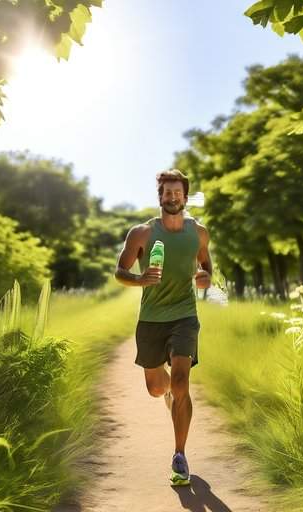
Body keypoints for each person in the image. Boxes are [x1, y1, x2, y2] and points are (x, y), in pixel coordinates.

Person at [114, 169, 212, 486]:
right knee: (157, 388)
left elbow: (207, 267)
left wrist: (205, 278)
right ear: (161, 197)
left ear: (185, 196)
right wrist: (140, 280)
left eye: (177, 192)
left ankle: (179, 455)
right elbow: (120, 271)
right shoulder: (141, 234)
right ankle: (169, 392)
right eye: (167, 192)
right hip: (151, 320)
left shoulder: (198, 232)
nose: (172, 197)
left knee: (181, 382)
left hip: (185, 315)